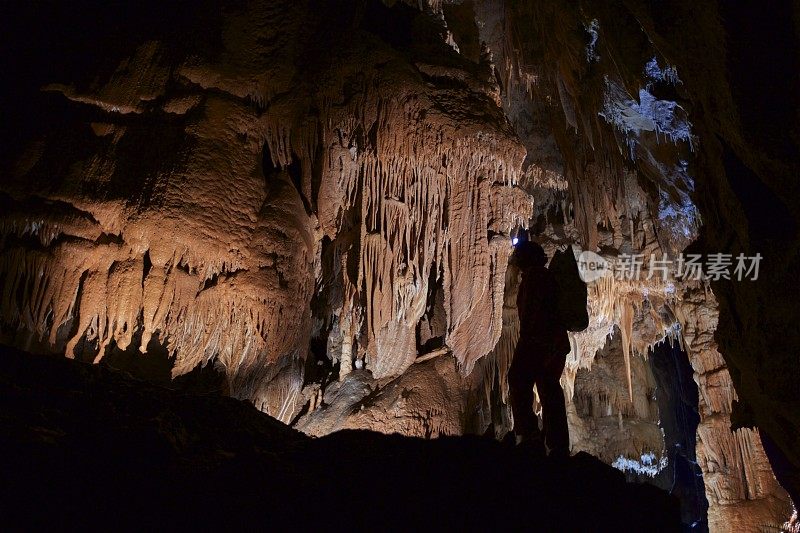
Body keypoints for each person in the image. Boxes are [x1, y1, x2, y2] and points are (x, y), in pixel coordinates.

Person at [508, 240, 571, 458]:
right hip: (554, 342)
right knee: (549, 387)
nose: (516, 262)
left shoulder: (535, 278)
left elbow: (533, 313)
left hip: (540, 341)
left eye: (518, 257)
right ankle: (557, 442)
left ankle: (530, 435)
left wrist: (529, 341)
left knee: (518, 379)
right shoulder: (544, 277)